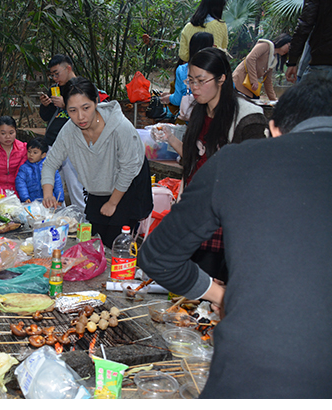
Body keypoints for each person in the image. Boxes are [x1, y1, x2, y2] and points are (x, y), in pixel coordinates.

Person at [137, 76, 332, 398]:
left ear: (276, 130)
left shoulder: (238, 161)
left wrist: (223, 296)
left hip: (257, 372)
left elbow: (157, 256)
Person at [164, 47, 268, 283]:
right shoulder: (197, 113)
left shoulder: (248, 117)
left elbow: (255, 177)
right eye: (190, 80)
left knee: (212, 286)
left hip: (225, 220)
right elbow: (192, 163)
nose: (194, 87)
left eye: (201, 80)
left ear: (222, 78)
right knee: (188, 286)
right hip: (195, 213)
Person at [41, 77, 153, 249]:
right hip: (98, 187)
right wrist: (48, 194)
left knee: (117, 244)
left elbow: (129, 168)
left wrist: (113, 203)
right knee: (95, 242)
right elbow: (50, 163)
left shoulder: (120, 127)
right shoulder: (69, 130)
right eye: (72, 110)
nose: (80, 117)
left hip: (129, 185)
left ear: (96, 102)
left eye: (86, 108)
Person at [39, 54, 107, 212]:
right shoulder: (55, 89)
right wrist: (46, 105)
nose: (55, 78)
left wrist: (66, 105)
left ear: (68, 68)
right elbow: (46, 117)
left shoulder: (83, 87)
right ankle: (59, 220)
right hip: (53, 143)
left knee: (77, 187)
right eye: (52, 75)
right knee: (55, 186)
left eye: (57, 73)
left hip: (75, 144)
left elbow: (93, 115)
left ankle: (84, 221)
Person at [161, 32, 214, 107]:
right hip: (213, 113)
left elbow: (178, 100)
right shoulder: (217, 68)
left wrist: (169, 98)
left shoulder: (183, 70)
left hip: (191, 115)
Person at [232, 34, 292, 101]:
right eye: (288, 46)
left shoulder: (273, 60)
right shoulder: (266, 45)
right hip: (240, 80)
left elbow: (268, 82)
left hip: (249, 87)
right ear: (282, 41)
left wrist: (274, 100)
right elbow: (250, 58)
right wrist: (254, 80)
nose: (288, 50)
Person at [286, 0, 332, 83]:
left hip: (323, 60)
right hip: (323, 60)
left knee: (310, 95)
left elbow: (304, 25)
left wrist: (292, 61)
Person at [15, 137, 64, 203]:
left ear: (43, 155)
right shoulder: (24, 168)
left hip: (49, 202)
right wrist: (25, 198)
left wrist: (59, 199)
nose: (31, 155)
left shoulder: (50, 167)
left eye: (35, 152)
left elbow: (57, 184)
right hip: (32, 201)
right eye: (29, 151)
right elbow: (20, 184)